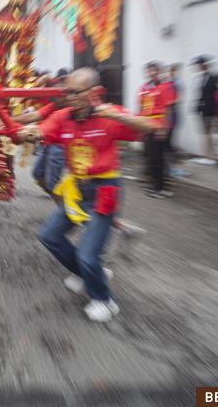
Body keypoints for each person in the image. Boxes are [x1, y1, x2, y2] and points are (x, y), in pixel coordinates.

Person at [19, 68, 156, 323]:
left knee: (87, 254)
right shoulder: (63, 116)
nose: (69, 96)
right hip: (77, 190)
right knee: (49, 236)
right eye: (66, 91)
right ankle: (88, 273)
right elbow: (42, 129)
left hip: (104, 192)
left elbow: (150, 126)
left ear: (94, 93)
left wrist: (116, 114)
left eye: (74, 92)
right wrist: (28, 132)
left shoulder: (108, 115)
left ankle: (104, 300)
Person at [138, 61, 173, 198]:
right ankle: (154, 185)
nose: (152, 73)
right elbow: (141, 108)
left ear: (159, 72)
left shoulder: (165, 87)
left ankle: (162, 188)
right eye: (149, 71)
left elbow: (168, 109)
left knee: (159, 158)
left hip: (158, 126)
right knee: (150, 157)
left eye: (154, 71)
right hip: (147, 125)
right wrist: (140, 126)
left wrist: (164, 128)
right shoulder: (144, 88)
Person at [192, 55, 218, 164]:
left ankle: (211, 156)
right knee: (205, 132)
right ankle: (206, 155)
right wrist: (197, 107)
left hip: (210, 109)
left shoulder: (212, 78)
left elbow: (214, 94)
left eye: (199, 64)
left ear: (203, 65)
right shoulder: (201, 77)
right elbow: (201, 95)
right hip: (203, 109)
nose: (198, 67)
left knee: (209, 132)